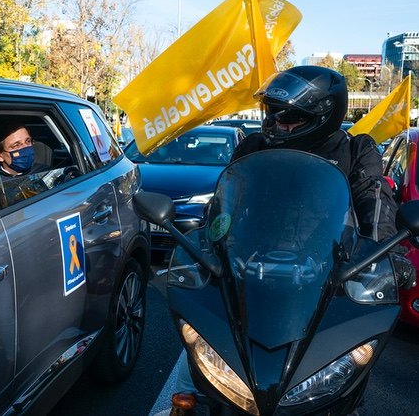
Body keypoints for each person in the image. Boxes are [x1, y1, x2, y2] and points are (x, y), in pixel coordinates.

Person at [169, 66, 415, 414]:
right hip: (247, 275)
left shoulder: (357, 151)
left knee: (349, 379)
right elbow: (225, 203)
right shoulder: (253, 146)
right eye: (274, 112)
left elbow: (376, 206)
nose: (280, 123)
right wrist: (206, 241)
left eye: (292, 116)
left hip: (328, 281)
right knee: (192, 367)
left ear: (326, 114)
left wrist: (382, 256)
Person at [0, 122, 49, 202]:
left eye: (28, 141)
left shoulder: (43, 171)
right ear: (0, 155)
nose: (25, 148)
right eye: (16, 145)